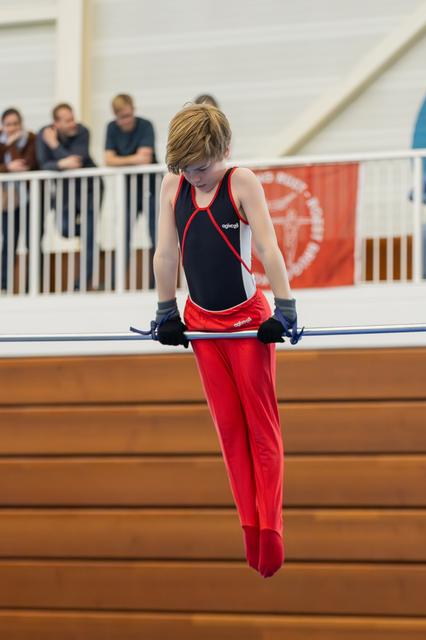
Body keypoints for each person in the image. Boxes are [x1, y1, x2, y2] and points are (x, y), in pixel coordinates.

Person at [152, 104, 300, 578]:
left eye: (201, 167)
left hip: (245, 324)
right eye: (185, 168)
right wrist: (165, 310)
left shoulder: (241, 182)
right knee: (229, 433)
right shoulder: (172, 186)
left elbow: (268, 247)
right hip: (201, 325)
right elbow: (166, 251)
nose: (194, 177)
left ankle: (271, 529)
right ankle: (249, 527)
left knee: (261, 430)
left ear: (224, 151)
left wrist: (286, 308)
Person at [36, 103, 102, 289]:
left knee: (88, 234)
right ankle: (90, 236)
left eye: (73, 118)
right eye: (67, 120)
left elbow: (76, 161)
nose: (73, 122)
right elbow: (43, 163)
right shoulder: (43, 134)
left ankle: (83, 281)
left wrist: (54, 146)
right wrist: (61, 163)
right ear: (56, 123)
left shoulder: (83, 132)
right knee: (64, 228)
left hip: (90, 188)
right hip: (66, 192)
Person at [105, 94, 157, 255]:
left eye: (129, 115)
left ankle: (157, 281)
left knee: (156, 236)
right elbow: (108, 159)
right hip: (128, 191)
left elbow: (145, 158)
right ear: (116, 116)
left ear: (133, 110)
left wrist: (119, 159)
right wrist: (135, 158)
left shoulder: (146, 125)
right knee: (123, 235)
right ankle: (116, 280)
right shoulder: (111, 128)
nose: (126, 120)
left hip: (151, 188)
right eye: (122, 117)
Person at [0, 107, 38, 292]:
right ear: (2, 125)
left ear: (20, 123)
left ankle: (35, 284)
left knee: (33, 240)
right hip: (8, 201)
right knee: (8, 241)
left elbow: (25, 164)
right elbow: (7, 166)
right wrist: (9, 146)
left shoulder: (30, 138)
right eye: (8, 124)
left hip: (29, 199)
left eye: (15, 124)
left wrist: (12, 147)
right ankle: (4, 284)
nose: (12, 128)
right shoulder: (2, 141)